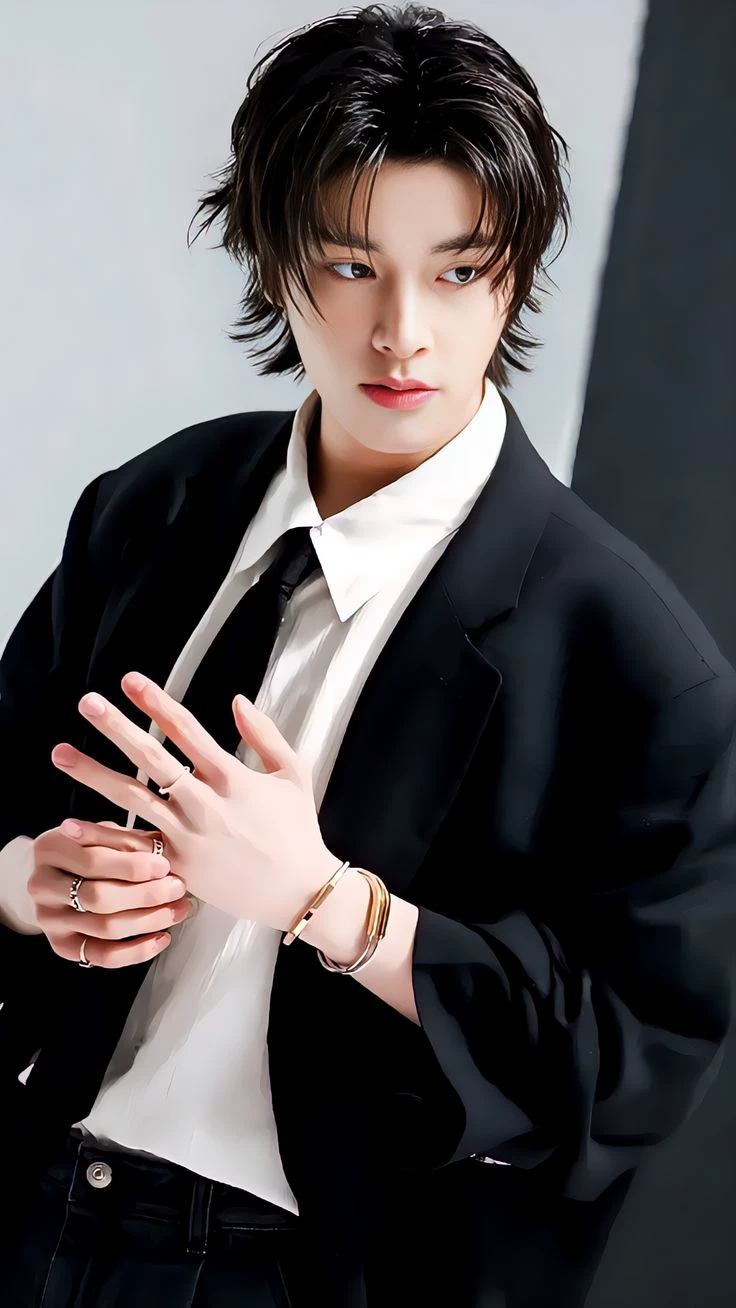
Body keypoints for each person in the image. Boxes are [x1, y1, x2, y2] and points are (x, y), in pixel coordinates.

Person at [1, 4, 735, 1306]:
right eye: (351, 266)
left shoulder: (634, 658)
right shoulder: (153, 505)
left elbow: (627, 1067)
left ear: (515, 274)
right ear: (274, 259)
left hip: (312, 1276)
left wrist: (329, 904)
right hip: (34, 1204)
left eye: (459, 270)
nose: (403, 331)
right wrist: (24, 885)